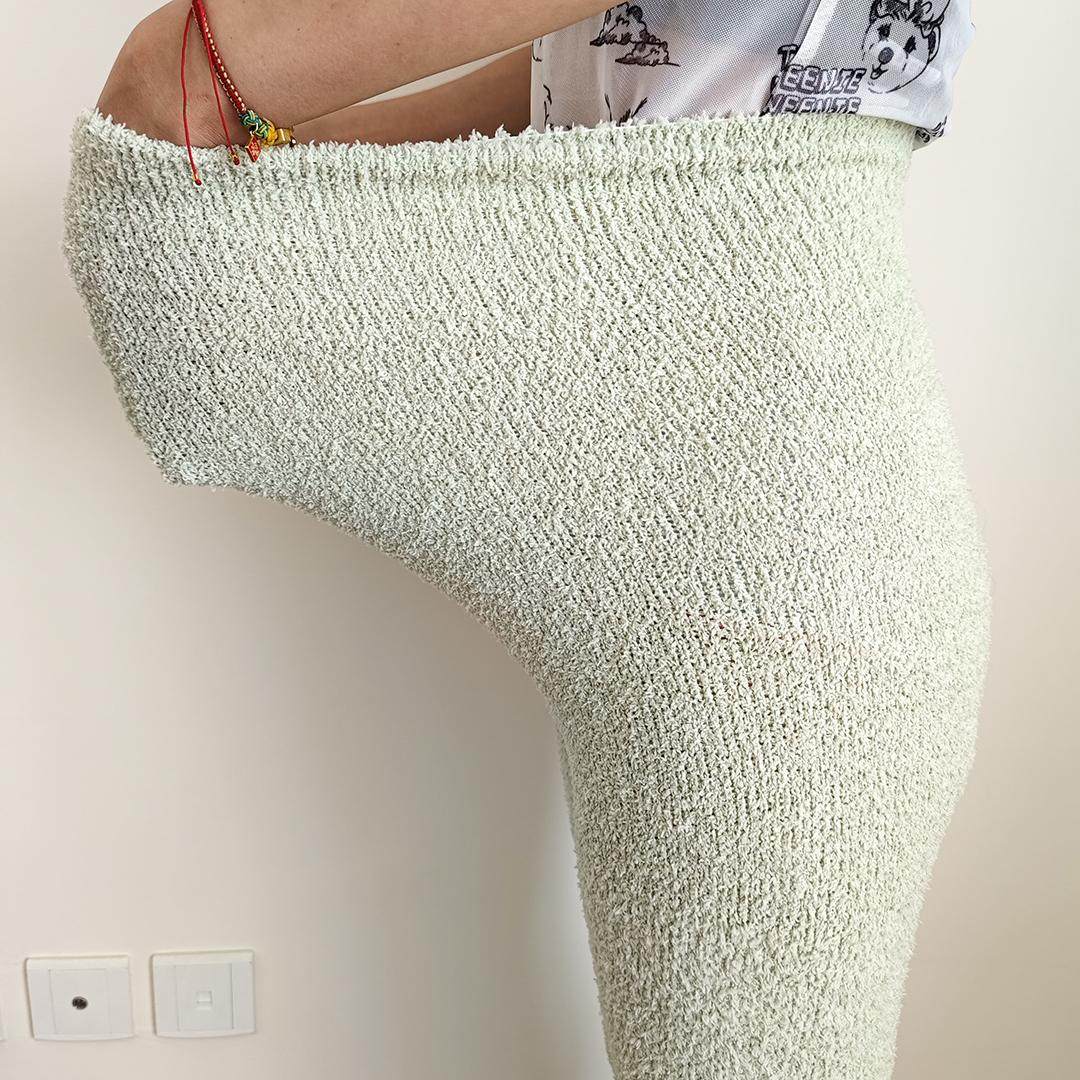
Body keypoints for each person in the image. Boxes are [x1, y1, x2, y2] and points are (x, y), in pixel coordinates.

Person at [72, 3, 991, 1077]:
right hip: (789, 510)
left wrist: (185, 71)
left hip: (788, 574)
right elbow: (626, 61)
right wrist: (276, 140)